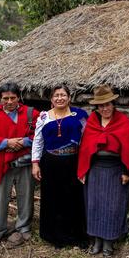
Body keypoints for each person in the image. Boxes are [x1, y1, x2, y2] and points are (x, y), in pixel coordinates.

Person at [78, 84, 129, 258]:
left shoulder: (123, 121)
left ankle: (108, 243)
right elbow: (85, 149)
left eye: (107, 104)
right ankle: (97, 241)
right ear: (97, 107)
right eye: (101, 105)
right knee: (94, 206)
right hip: (95, 171)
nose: (105, 108)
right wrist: (84, 171)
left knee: (112, 207)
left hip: (115, 171)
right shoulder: (92, 122)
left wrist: (126, 172)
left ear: (113, 104)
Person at [0, 82, 39, 248]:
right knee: (0, 198)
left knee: (26, 195)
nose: (9, 101)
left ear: (18, 97)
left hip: (24, 163)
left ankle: (23, 227)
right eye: (5, 98)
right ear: (1, 98)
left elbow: (40, 133)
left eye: (13, 98)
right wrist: (6, 142)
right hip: (2, 163)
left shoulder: (30, 113)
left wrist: (25, 141)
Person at [31, 84, 89, 248]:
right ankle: (56, 237)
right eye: (56, 95)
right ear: (51, 99)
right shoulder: (44, 117)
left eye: (63, 95)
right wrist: (35, 164)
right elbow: (37, 141)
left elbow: (88, 137)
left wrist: (86, 162)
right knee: (53, 199)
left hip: (73, 163)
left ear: (69, 97)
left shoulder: (80, 115)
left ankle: (77, 235)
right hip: (51, 164)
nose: (60, 98)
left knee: (73, 198)